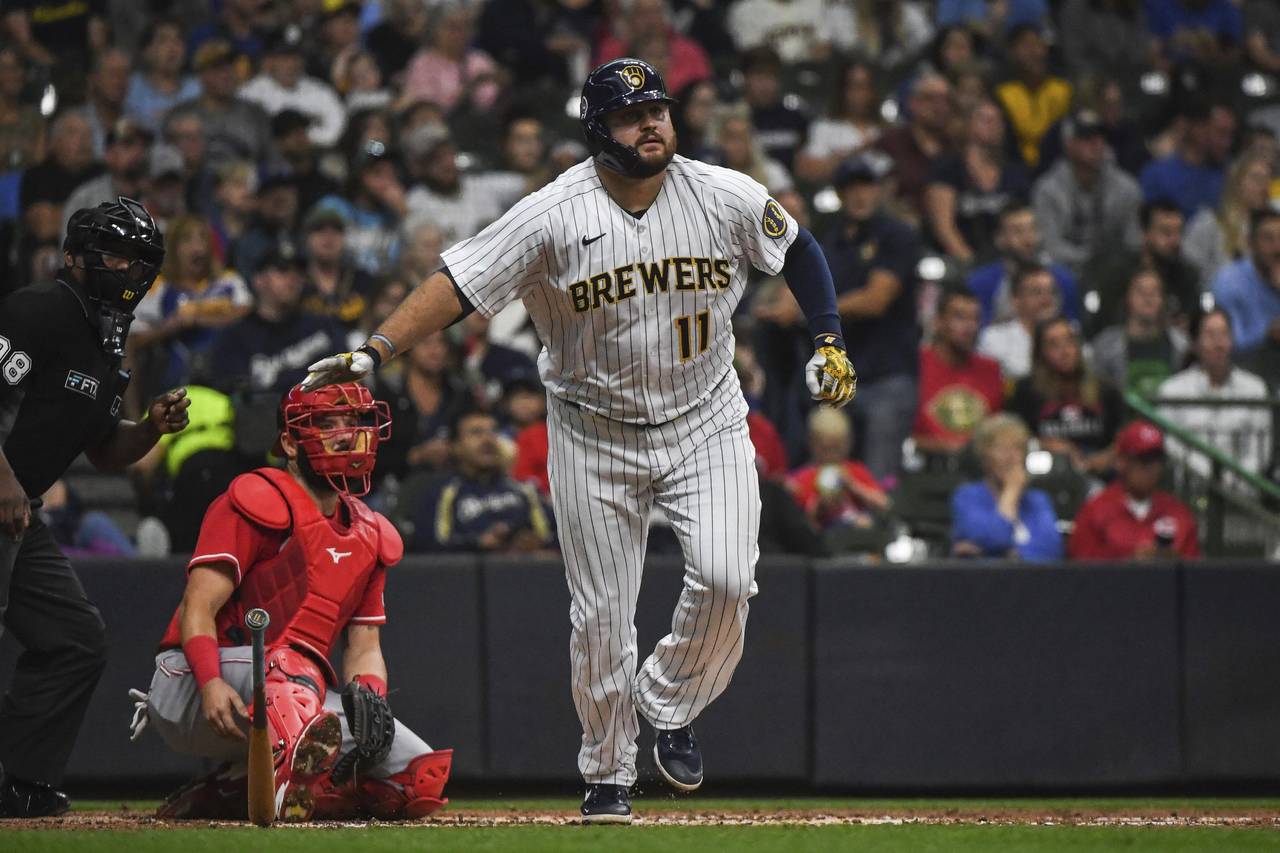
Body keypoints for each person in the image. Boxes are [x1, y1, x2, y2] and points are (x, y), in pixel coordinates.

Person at [301, 57, 856, 823]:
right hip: (593, 430)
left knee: (728, 580)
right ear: (599, 129)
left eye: (657, 109)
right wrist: (373, 352)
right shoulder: (552, 211)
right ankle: (607, 774)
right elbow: (459, 283)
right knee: (601, 615)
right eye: (632, 115)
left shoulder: (722, 192)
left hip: (706, 419)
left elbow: (797, 249)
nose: (652, 123)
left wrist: (828, 336)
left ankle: (668, 701)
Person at [133, 383, 452, 821]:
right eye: (326, 424)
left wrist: (370, 702)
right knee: (292, 663)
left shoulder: (371, 531)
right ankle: (278, 784)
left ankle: (231, 790)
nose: (344, 435)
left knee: (414, 781)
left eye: (354, 422)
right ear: (289, 441)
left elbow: (364, 648)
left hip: (293, 697)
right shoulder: (256, 497)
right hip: (191, 685)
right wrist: (209, 683)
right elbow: (198, 608)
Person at [0, 198, 190, 817]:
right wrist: (2, 479)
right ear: (74, 257)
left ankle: (20, 784)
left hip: (16, 512)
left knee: (74, 638)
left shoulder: (108, 340)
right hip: (6, 495)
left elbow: (106, 451)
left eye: (139, 259)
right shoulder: (40, 308)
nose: (129, 269)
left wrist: (151, 428)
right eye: (115, 254)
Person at [406, 405, 554, 554]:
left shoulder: (525, 490)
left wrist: (537, 544)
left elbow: (560, 540)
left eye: (493, 431)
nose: (488, 439)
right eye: (476, 433)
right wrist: (478, 543)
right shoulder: (441, 493)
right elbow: (427, 549)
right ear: (455, 446)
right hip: (466, 574)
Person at [1157, 308, 1272, 485]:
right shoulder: (1172, 391)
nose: (1219, 344)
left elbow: (1260, 451)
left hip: (1242, 494)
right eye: (1210, 335)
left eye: (1224, 334)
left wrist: (1233, 480)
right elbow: (1172, 446)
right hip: (1190, 491)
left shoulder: (1255, 389)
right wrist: (1210, 478)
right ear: (1195, 343)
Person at [1031, 108, 1143, 275]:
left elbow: (1134, 243)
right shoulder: (1047, 191)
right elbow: (1049, 247)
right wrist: (1091, 260)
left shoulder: (1126, 188)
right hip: (1066, 274)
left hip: (1115, 274)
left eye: (1100, 137)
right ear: (1068, 144)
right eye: (1086, 138)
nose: (1096, 144)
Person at [1009, 317, 1123, 477]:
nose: (1065, 351)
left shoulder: (1104, 389)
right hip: (1047, 473)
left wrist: (1107, 456)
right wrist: (1046, 444)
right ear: (1040, 353)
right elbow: (1014, 436)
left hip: (1100, 472)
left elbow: (1122, 435)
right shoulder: (1027, 390)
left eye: (1069, 341)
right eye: (1054, 345)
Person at [1069, 421, 1200, 559]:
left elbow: (1195, 573)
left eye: (1157, 459)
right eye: (1143, 460)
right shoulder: (1095, 511)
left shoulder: (1178, 513)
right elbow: (1081, 572)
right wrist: (1130, 562)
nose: (1152, 468)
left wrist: (1173, 564)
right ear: (1122, 462)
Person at [924, 98, 1030, 266]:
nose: (993, 125)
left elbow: (1025, 223)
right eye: (985, 119)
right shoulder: (948, 168)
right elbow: (943, 228)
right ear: (967, 124)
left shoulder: (1014, 172)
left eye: (998, 121)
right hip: (958, 262)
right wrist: (971, 266)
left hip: (1008, 264)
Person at [950, 413, 1062, 561]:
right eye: (1002, 449)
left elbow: (1052, 551)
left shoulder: (1038, 500)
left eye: (1018, 448)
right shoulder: (967, 497)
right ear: (985, 456)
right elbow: (995, 537)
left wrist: (1002, 554)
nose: (1012, 458)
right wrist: (1011, 492)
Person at [1083, 200, 1201, 337]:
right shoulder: (1118, 274)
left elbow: (1193, 321)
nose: (1175, 241)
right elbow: (1103, 324)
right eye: (1166, 233)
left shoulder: (1187, 276)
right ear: (1145, 233)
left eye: (1179, 232)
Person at [914, 288, 1005, 455]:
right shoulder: (914, 367)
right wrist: (941, 448)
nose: (970, 326)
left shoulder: (991, 370)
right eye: (960, 317)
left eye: (975, 319)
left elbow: (997, 432)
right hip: (925, 467)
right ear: (937, 322)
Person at [966, 203, 1081, 328]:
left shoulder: (1064, 279)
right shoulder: (980, 283)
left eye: (1032, 229)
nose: (1028, 239)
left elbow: (1073, 329)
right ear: (1000, 239)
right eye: (1018, 231)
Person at [786, 407, 889, 539]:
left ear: (847, 443)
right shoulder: (803, 478)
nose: (831, 455)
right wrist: (822, 505)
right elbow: (803, 521)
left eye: (836, 448)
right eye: (825, 448)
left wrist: (853, 486)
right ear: (812, 443)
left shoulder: (855, 471)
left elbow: (884, 504)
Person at [1091, 268, 1189, 399]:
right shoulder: (1105, 347)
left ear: (1163, 299)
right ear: (1128, 298)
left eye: (1154, 292)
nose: (1148, 298)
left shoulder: (1182, 346)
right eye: (1141, 292)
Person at [1184, 152, 1274, 290]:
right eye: (1257, 179)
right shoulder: (1210, 222)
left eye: (1268, 180)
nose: (1264, 187)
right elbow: (1189, 268)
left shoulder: (1272, 230)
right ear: (1236, 182)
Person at [1211, 207, 1280, 352]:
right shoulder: (1230, 281)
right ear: (1250, 244)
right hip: (1245, 366)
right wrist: (1268, 334)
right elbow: (1230, 343)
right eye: (1268, 239)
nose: (1277, 248)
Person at [978, 263, 1060, 380]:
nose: (1047, 300)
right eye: (1037, 292)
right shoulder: (993, 339)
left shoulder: (1071, 334)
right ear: (1016, 300)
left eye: (1051, 292)